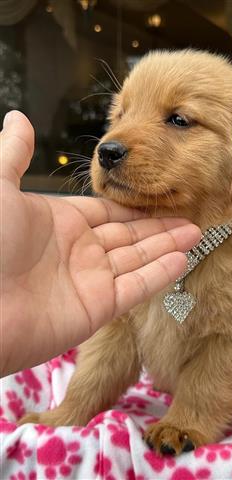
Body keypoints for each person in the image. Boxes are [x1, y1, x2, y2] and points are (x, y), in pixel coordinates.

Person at [0, 111, 201, 377]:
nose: (110, 145)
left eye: (179, 120)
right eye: (120, 114)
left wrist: (189, 418)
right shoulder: (104, 244)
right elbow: (115, 336)